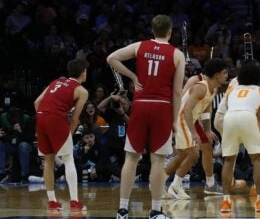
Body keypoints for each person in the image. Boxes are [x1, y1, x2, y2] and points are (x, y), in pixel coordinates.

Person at [107, 14, 186, 219]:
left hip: (140, 106)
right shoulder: (177, 54)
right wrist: (176, 120)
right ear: (170, 32)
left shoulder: (140, 46)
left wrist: (133, 77)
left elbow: (111, 58)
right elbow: (177, 92)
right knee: (158, 161)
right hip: (162, 107)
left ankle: (122, 210)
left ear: (152, 30)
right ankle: (155, 211)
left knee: (131, 157)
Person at [164, 58, 229, 200]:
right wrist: (193, 132)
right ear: (216, 75)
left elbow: (205, 109)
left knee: (182, 155)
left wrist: (207, 129)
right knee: (193, 155)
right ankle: (175, 187)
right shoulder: (200, 86)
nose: (227, 76)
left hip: (189, 120)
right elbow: (186, 109)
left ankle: (159, 183)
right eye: (224, 73)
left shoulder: (213, 89)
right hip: (182, 119)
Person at [34, 58, 90, 212]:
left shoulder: (57, 81)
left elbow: (36, 102)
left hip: (41, 116)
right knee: (68, 158)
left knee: (48, 161)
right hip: (55, 119)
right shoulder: (82, 91)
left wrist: (42, 121)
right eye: (86, 71)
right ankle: (74, 201)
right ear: (83, 73)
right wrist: (68, 135)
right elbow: (74, 118)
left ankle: (52, 201)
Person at [216, 61, 260, 213]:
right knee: (257, 160)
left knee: (228, 160)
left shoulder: (232, 90)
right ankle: (259, 201)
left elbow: (228, 107)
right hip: (248, 117)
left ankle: (226, 202)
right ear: (259, 78)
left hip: (230, 118)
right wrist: (256, 137)